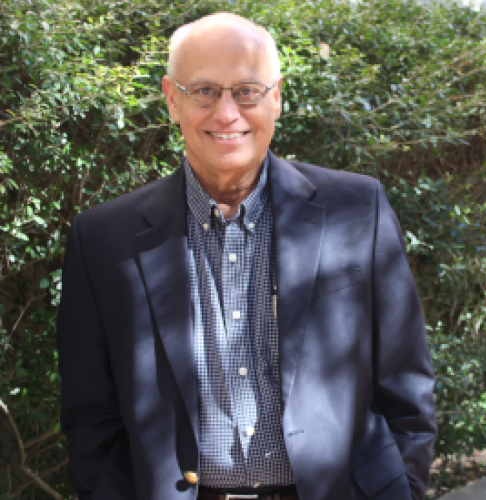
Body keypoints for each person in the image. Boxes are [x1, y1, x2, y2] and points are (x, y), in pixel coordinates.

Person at [57, 12, 436, 500]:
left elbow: (405, 380)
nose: (227, 113)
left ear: (276, 98)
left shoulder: (358, 211)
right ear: (172, 99)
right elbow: (91, 413)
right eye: (205, 91)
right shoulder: (103, 239)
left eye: (247, 91)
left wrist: (400, 488)